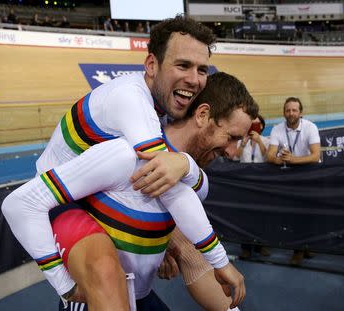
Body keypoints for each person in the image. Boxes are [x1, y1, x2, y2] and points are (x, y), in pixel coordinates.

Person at [2, 72, 258, 310]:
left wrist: (185, 165)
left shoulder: (189, 174)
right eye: (232, 137)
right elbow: (22, 203)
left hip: (138, 294)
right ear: (202, 115)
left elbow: (190, 200)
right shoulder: (125, 154)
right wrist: (65, 286)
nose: (233, 152)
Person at [32, 15, 238, 310]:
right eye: (183, 65)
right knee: (103, 276)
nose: (194, 79)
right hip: (61, 200)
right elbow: (171, 184)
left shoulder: (159, 103)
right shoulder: (132, 99)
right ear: (152, 65)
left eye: (202, 69)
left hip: (79, 189)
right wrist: (219, 259)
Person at [267, 97, 320, 265]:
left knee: (308, 213)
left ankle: (305, 245)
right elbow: (270, 155)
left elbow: (316, 155)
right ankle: (299, 249)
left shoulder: (310, 127)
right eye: (288, 110)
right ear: (284, 112)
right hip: (289, 175)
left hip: (309, 174)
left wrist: (292, 160)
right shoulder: (277, 129)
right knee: (294, 213)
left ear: (301, 112)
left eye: (294, 110)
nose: (291, 113)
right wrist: (280, 160)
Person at [235, 115, 271, 259]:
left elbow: (269, 158)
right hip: (245, 184)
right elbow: (234, 158)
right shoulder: (240, 142)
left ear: (261, 127)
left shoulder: (267, 141)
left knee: (261, 216)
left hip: (261, 184)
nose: (254, 127)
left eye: (257, 125)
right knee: (245, 216)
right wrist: (243, 144)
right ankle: (246, 248)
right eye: (251, 125)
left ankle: (261, 246)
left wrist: (259, 142)